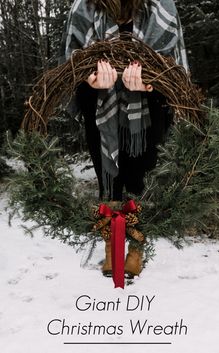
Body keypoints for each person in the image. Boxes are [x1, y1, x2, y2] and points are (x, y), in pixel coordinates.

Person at [60, 0, 188, 277]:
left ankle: (137, 248)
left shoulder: (162, 7)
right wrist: (90, 80)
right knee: (109, 178)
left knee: (142, 180)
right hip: (101, 106)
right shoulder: (83, 7)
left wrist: (152, 82)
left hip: (150, 110)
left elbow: (175, 70)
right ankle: (112, 248)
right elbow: (70, 65)